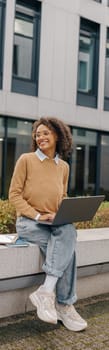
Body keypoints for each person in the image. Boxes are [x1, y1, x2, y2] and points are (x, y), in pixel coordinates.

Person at [9, 117, 87, 331]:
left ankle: (46, 292)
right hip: (29, 222)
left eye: (45, 133)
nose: (40, 137)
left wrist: (63, 212)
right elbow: (14, 195)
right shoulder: (26, 160)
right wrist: (36, 215)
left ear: (58, 136)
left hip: (53, 222)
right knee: (67, 249)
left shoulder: (64, 167)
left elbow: (62, 195)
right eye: (37, 134)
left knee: (66, 232)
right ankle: (64, 304)